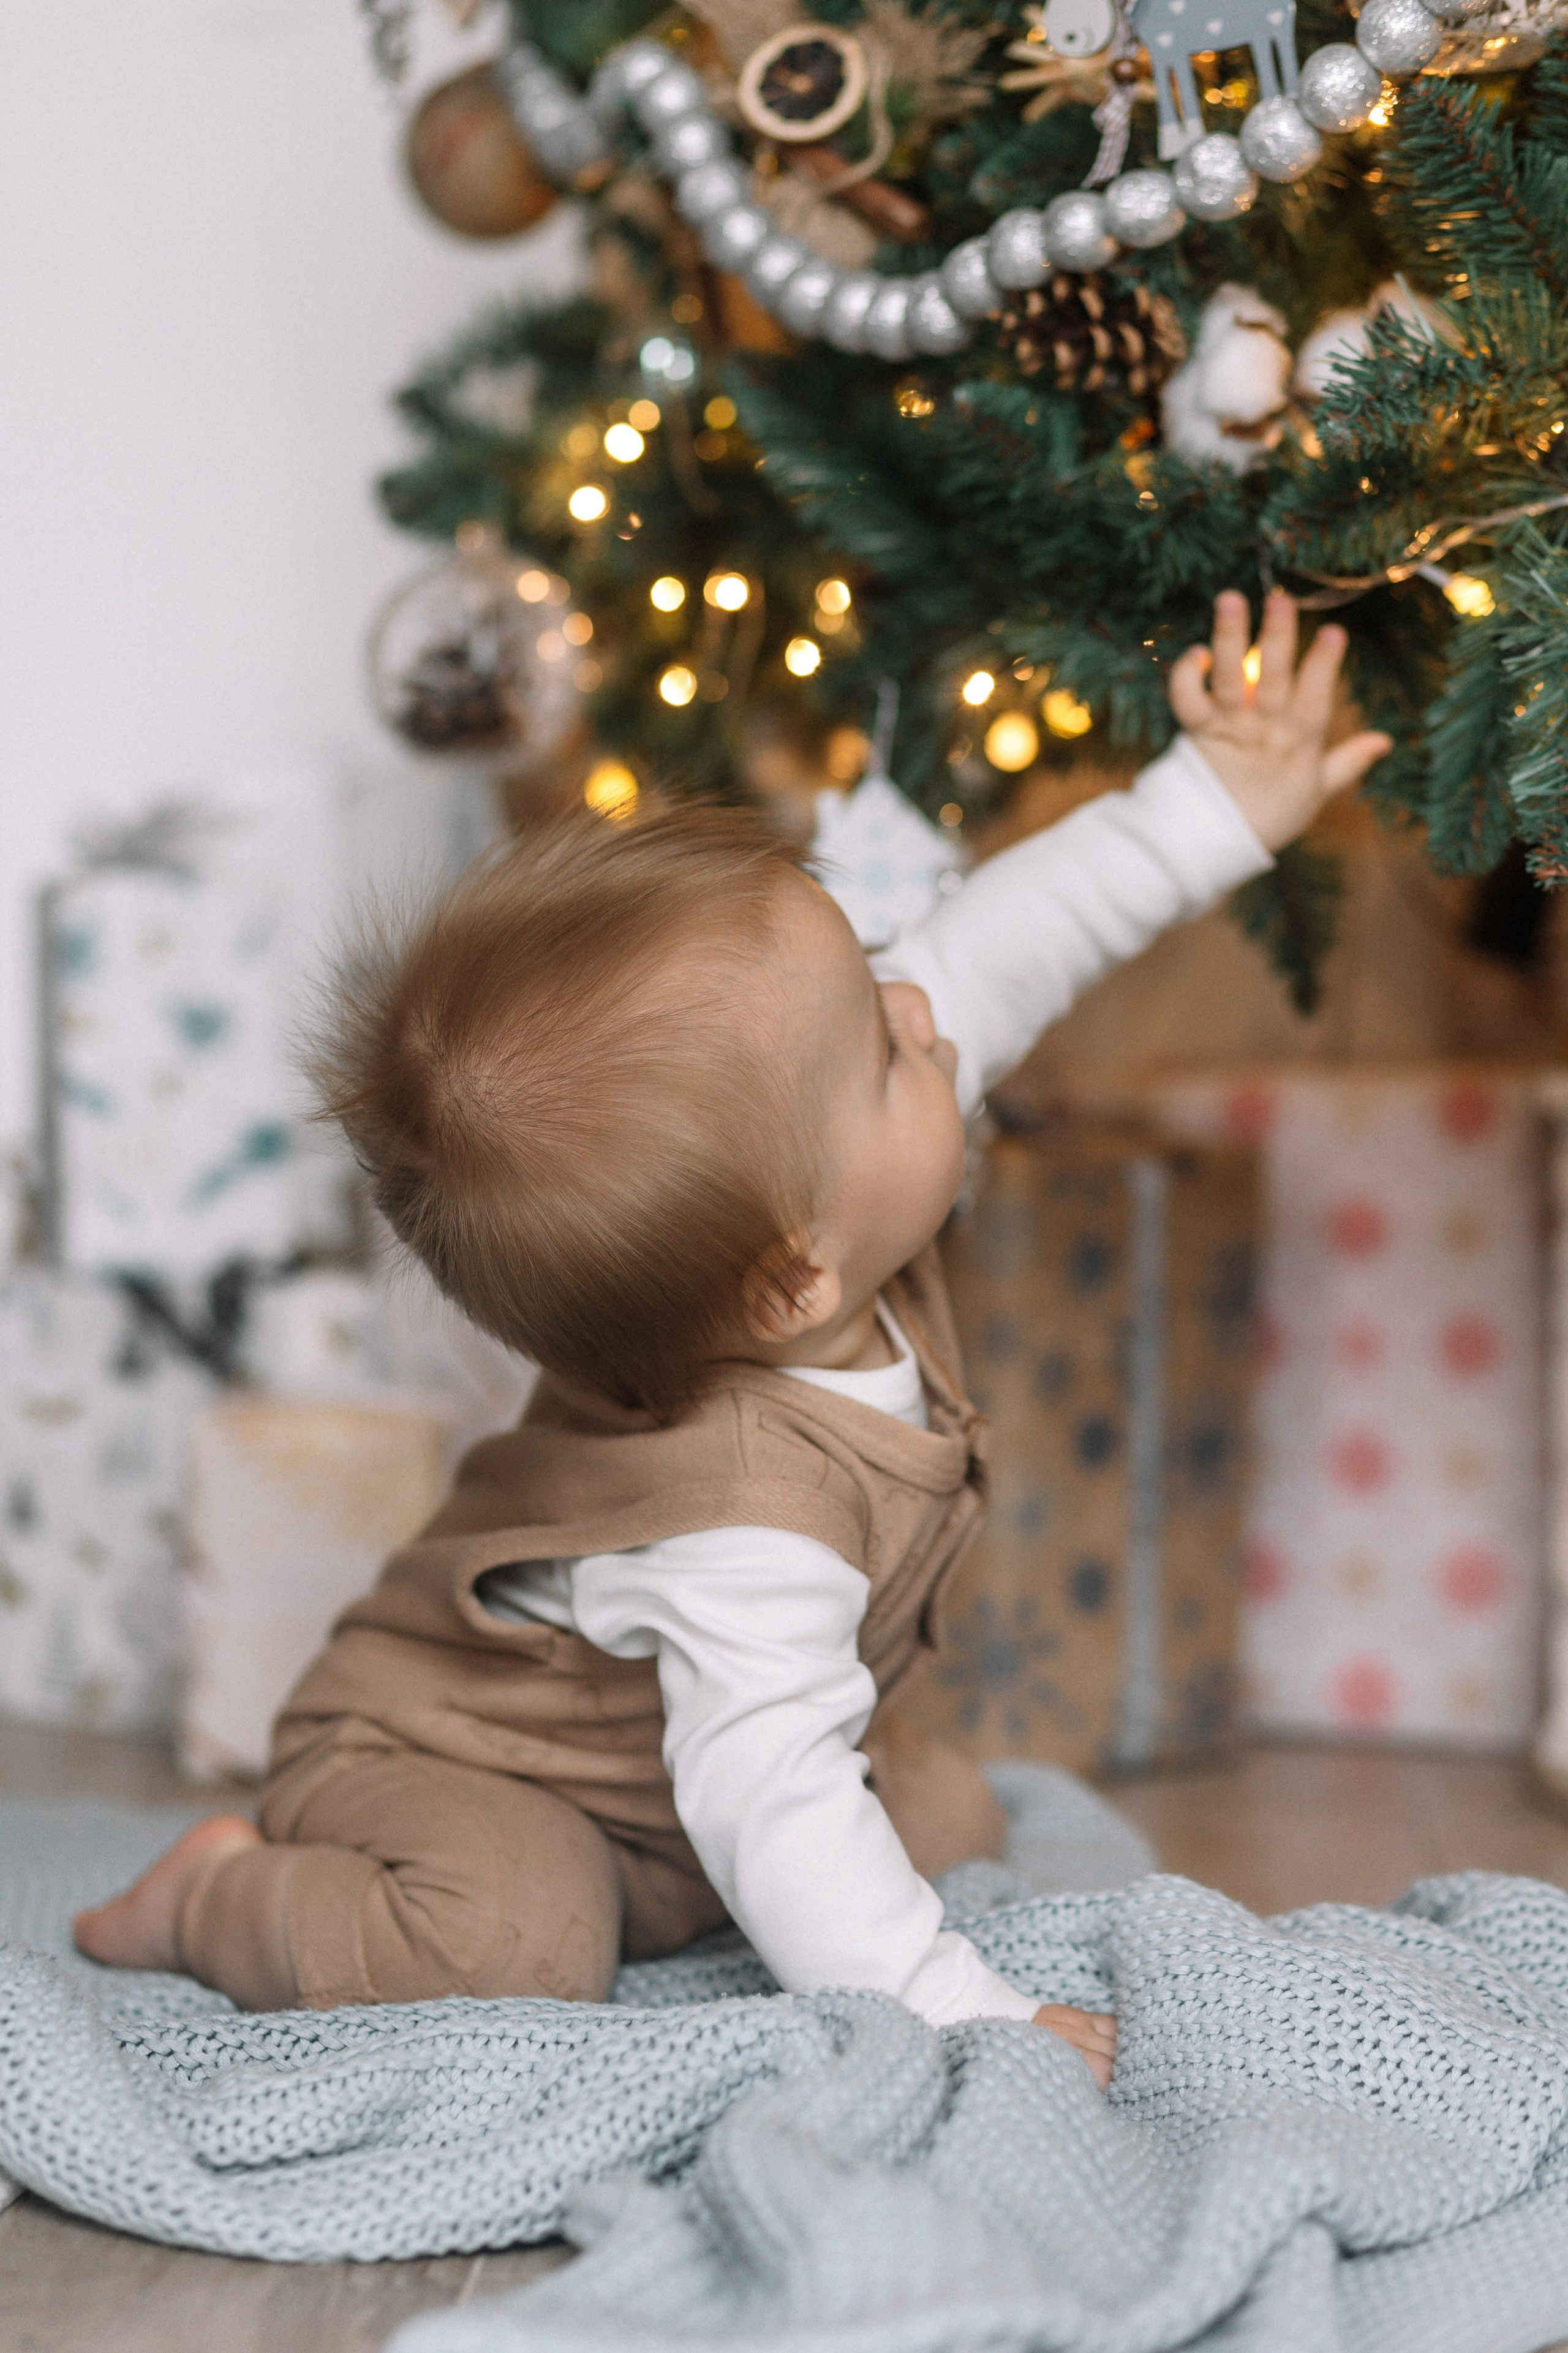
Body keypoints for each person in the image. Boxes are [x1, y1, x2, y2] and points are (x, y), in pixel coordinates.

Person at [75, 591, 1389, 2090]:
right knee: (515, 1947)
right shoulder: (742, 1521)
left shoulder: (805, 1183)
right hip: (446, 1761)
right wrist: (961, 2013)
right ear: (789, 1277)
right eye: (889, 1047)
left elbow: (997, 952)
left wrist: (1211, 804)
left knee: (947, 1821)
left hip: (654, 1765)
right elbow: (767, 1791)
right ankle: (214, 1896)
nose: (921, 1007)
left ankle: (675, 1883)